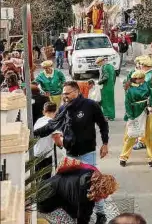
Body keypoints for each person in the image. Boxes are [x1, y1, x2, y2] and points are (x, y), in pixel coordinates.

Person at [34, 80, 110, 222]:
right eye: (63, 94)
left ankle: (101, 213)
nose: (64, 96)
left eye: (67, 93)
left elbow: (103, 124)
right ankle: (75, 212)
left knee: (94, 184)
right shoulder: (63, 109)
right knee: (74, 186)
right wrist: (33, 135)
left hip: (87, 153)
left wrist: (105, 143)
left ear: (76, 92)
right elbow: (51, 126)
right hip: (70, 154)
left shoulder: (90, 105)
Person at [37, 158, 118, 224]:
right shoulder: (86, 197)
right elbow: (83, 219)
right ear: (100, 190)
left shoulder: (91, 173)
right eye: (106, 193)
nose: (106, 197)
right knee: (68, 221)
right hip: (45, 202)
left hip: (47, 186)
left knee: (75, 214)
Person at [120, 71, 150, 167]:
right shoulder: (129, 89)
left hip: (145, 111)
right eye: (141, 78)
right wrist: (131, 116)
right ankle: (123, 157)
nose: (143, 80)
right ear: (136, 79)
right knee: (130, 136)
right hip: (134, 113)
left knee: (148, 134)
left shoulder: (145, 84)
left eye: (143, 78)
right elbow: (127, 104)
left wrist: (150, 104)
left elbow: (151, 95)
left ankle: (151, 157)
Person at [34, 102, 63, 181]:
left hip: (36, 153)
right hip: (45, 156)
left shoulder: (39, 120)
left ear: (44, 111)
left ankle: (38, 192)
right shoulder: (53, 123)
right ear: (56, 111)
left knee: (37, 177)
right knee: (46, 179)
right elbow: (57, 139)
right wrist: (61, 146)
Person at [97, 57, 116, 121]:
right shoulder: (111, 66)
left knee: (105, 101)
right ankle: (112, 116)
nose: (98, 65)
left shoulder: (104, 67)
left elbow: (106, 77)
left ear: (101, 61)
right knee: (110, 101)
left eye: (98, 63)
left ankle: (106, 115)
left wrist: (99, 82)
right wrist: (113, 84)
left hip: (105, 86)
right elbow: (114, 77)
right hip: (111, 86)